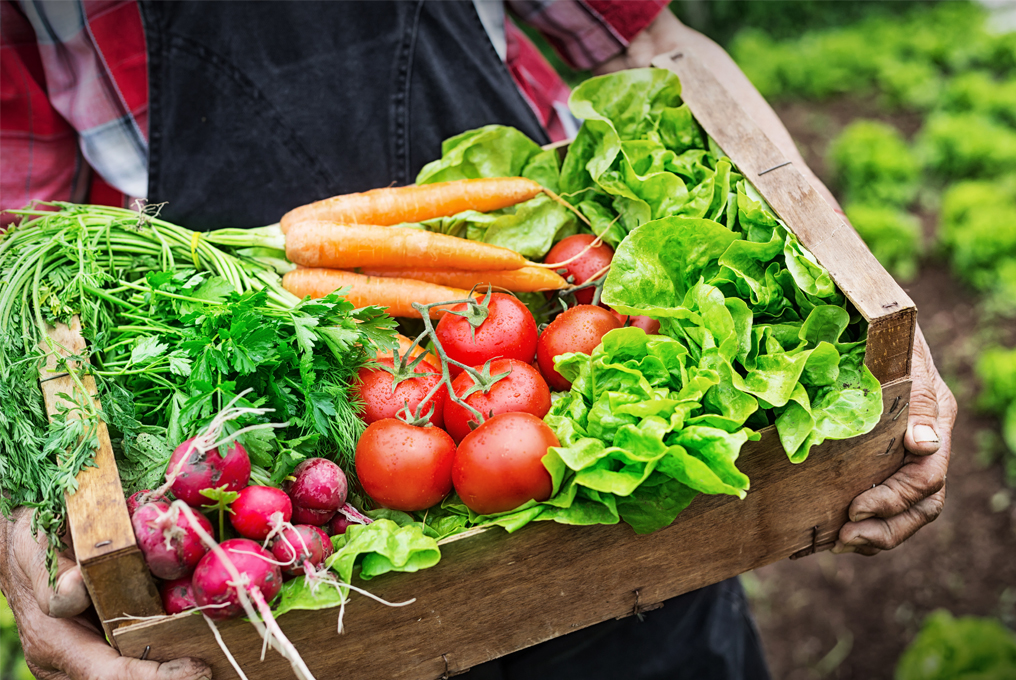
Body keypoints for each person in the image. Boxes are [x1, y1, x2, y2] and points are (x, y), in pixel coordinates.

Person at [0, 2, 956, 679]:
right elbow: (17, 253)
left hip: (593, 455)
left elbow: (652, 44)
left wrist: (862, 285)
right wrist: (19, 527)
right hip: (252, 464)